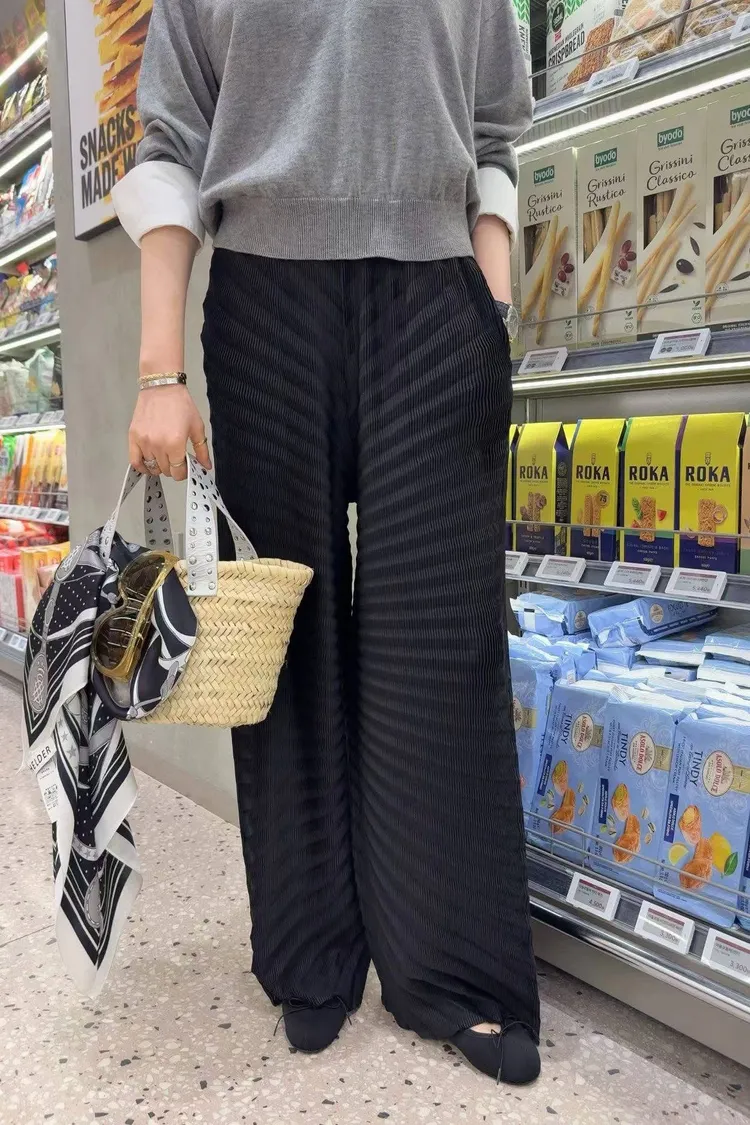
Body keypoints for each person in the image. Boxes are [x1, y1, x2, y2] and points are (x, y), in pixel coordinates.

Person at [112, 0, 540, 1085]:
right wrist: (159, 370)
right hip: (267, 297)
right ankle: (312, 950)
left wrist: (493, 309)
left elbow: (494, 134)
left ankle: (452, 968)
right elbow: (172, 140)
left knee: (436, 641)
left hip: (436, 296)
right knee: (287, 649)